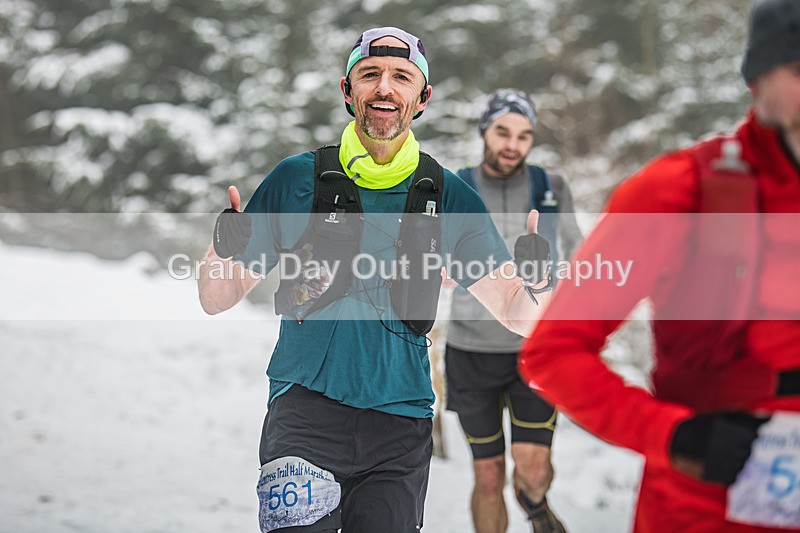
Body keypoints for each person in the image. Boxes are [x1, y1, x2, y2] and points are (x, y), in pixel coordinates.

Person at [197, 27, 553, 533]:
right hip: (303, 418)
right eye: (370, 75)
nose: (385, 87)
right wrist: (219, 251)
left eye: (401, 77)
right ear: (348, 91)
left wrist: (537, 283)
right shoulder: (295, 180)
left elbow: (519, 314)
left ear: (422, 97)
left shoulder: (448, 197)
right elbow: (217, 298)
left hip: (400, 428)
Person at [519, 0, 800, 531]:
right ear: (757, 80)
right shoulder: (677, 191)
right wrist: (673, 436)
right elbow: (553, 353)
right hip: (703, 510)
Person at [444, 89, 581, 533]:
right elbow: (429, 256)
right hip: (470, 351)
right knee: (487, 475)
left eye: (523, 135)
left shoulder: (550, 187)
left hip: (534, 351)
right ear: (485, 131)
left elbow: (578, 256)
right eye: (502, 131)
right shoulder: (457, 185)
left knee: (534, 469)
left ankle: (535, 504)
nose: (512, 144)